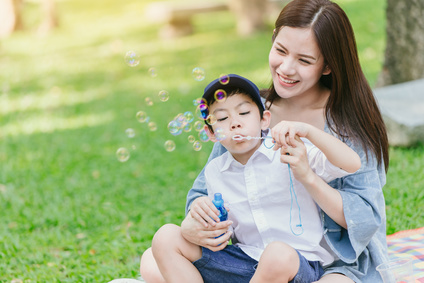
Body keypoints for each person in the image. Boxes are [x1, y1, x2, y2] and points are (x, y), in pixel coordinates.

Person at [141, 0, 389, 282]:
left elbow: (365, 219)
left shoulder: (346, 124)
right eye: (280, 50)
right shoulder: (248, 111)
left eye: (304, 60)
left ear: (328, 66)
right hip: (257, 260)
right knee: (153, 257)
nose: (286, 67)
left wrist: (308, 177)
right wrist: (193, 226)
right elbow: (208, 191)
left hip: (332, 264)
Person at [145, 74, 361, 283]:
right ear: (211, 133)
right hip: (244, 262)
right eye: (221, 118)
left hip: (296, 264)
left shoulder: (289, 151)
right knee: (166, 237)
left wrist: (307, 131)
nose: (234, 123)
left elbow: (351, 163)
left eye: (244, 113)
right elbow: (224, 230)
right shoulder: (215, 172)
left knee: (277, 253)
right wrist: (206, 221)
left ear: (264, 119)